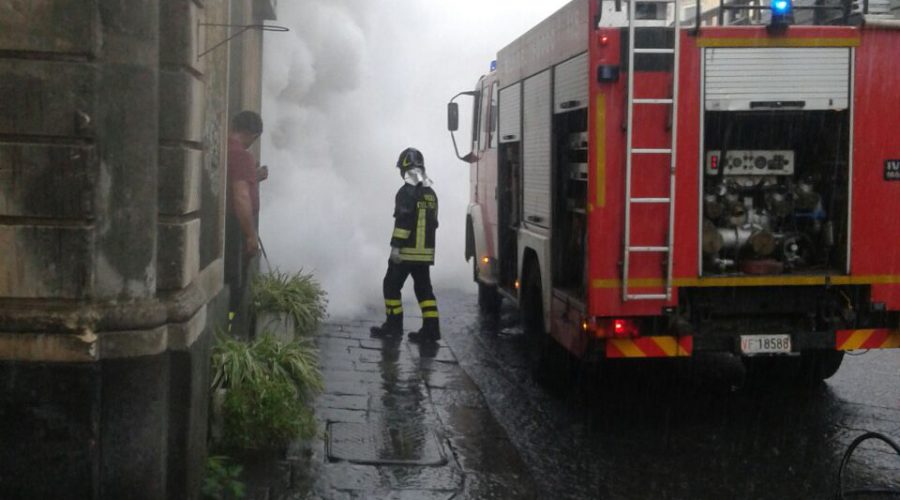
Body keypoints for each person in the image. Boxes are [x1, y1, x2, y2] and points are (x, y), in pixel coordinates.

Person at [370, 147, 441, 343]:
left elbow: (404, 221)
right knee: (424, 291)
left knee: (391, 286)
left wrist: (395, 247)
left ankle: (393, 327)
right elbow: (433, 223)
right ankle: (431, 330)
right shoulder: (431, 193)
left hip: (406, 253)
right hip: (425, 255)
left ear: (405, 169)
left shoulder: (406, 192)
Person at [225, 111, 264, 330]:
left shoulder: (226, 148)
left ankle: (229, 322)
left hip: (230, 224)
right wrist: (250, 235)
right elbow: (241, 196)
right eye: (255, 138)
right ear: (250, 133)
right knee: (235, 278)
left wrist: (255, 176)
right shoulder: (241, 155)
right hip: (236, 227)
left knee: (232, 275)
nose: (252, 144)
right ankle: (230, 325)